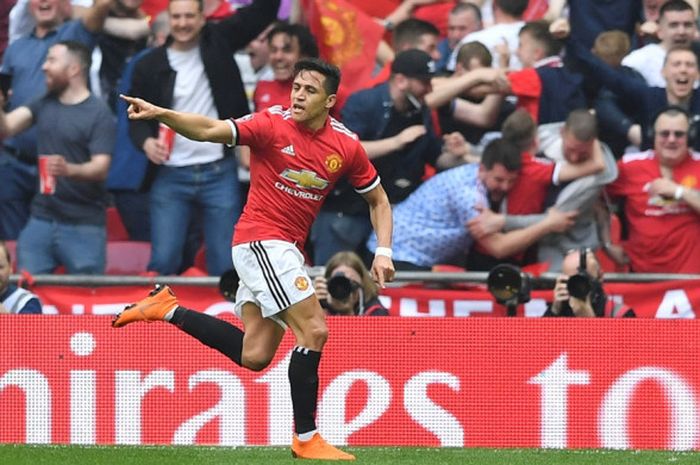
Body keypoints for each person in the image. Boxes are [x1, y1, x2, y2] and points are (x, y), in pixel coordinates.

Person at [114, 58, 394, 460]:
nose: (297, 95)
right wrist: (162, 115)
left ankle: (167, 308)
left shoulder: (346, 146)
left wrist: (383, 251)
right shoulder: (270, 124)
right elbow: (211, 130)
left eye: (309, 90)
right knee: (314, 331)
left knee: (255, 355)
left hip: (285, 250)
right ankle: (306, 437)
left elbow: (378, 200)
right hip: (261, 241)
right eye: (296, 87)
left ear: (329, 101)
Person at [127, 0, 279, 276]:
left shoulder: (219, 41)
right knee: (163, 261)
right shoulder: (149, 64)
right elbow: (135, 119)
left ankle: (224, 318)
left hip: (218, 170)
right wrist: (146, 143)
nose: (183, 23)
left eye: (189, 16)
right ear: (168, 19)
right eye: (177, 17)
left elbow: (264, 11)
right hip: (170, 174)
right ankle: (158, 317)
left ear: (202, 18)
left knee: (226, 263)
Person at [311, 49, 444, 265]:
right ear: (401, 81)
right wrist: (395, 142)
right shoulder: (364, 103)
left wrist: (455, 152)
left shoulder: (421, 111)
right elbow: (341, 151)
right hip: (346, 213)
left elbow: (436, 157)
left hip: (388, 217)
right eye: (424, 82)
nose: (429, 89)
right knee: (332, 284)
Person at [366, 137, 576, 271]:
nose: (504, 187)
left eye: (511, 181)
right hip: (398, 255)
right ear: (482, 169)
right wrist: (547, 224)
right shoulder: (469, 196)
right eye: (499, 180)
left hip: (411, 256)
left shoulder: (478, 176)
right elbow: (499, 248)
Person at [0, 0, 113, 241]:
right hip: (15, 161)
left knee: (63, 241)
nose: (44, 68)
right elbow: (6, 115)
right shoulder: (16, 47)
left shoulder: (74, 35)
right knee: (15, 246)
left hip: (63, 166)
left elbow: (101, 7)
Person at [471, 110, 618, 271]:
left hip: (554, 251)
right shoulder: (534, 164)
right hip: (508, 248)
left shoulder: (586, 178)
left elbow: (562, 218)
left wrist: (503, 220)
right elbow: (500, 248)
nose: (575, 158)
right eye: (499, 180)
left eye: (582, 152)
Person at [605, 106, 700, 273]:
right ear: (652, 135)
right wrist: (609, 242)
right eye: (664, 134)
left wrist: (679, 191)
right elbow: (596, 199)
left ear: (690, 137)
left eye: (679, 134)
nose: (671, 140)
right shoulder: (629, 166)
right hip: (643, 281)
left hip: (692, 283)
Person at [621, 0, 698, 88]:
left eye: (687, 25)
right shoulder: (639, 60)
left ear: (695, 29)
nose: (681, 32)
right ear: (660, 30)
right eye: (673, 25)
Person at [544, 248, 635, 317]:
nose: (578, 287)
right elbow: (538, 341)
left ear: (600, 276)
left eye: (583, 280)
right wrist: (553, 311)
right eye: (572, 281)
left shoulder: (620, 315)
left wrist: (590, 322)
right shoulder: (559, 312)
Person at [314, 251, 389, 316]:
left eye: (351, 282)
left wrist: (347, 313)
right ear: (327, 283)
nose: (343, 288)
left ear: (362, 284)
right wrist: (313, 304)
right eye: (338, 282)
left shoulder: (376, 312)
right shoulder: (321, 307)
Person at [435, 2, 483, 73]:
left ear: (480, 26)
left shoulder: (492, 46)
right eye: (451, 28)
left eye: (462, 28)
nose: (455, 35)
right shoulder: (439, 52)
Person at [0, 241, 42, 314]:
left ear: (10, 268)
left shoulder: (26, 302)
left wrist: (4, 318)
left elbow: (29, 325)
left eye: (0, 267)